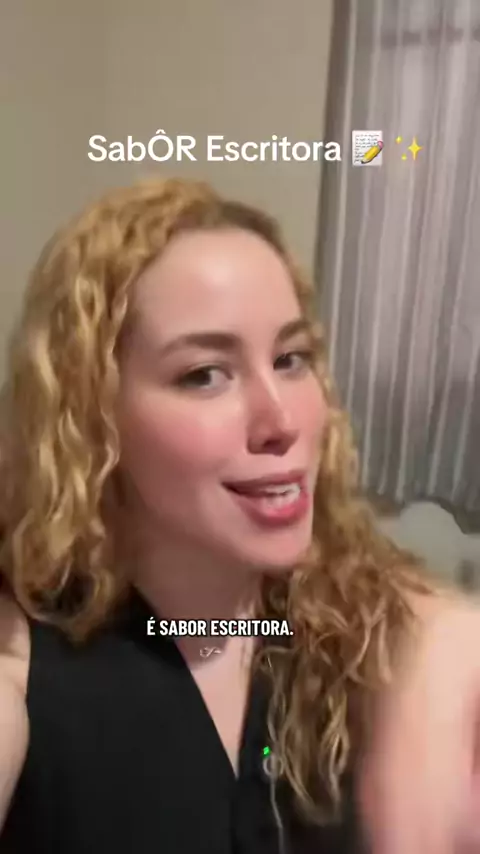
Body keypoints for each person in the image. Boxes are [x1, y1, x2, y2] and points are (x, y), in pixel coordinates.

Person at [0, 177, 478, 854]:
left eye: (290, 359)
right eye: (204, 374)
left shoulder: (346, 616)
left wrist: (449, 648)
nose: (281, 420)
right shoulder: (23, 660)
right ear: (93, 415)